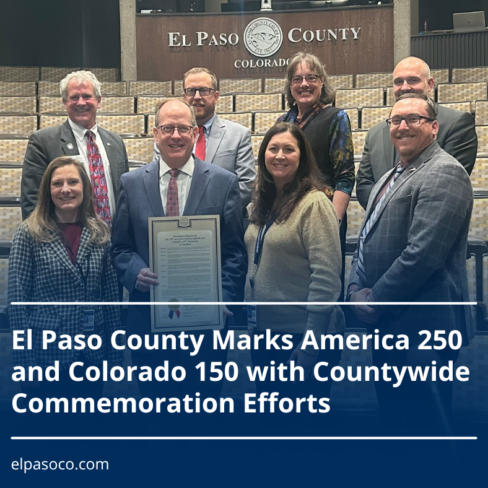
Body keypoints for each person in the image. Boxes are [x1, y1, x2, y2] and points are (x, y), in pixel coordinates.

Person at [347, 94, 474, 434]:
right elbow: (366, 239)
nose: (402, 126)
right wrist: (355, 287)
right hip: (389, 323)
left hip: (423, 326)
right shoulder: (390, 176)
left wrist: (375, 299)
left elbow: (423, 254)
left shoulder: (444, 171)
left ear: (434, 127)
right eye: (395, 120)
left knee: (424, 429)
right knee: (394, 421)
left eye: (413, 119)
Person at [111, 99, 247, 406]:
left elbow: (235, 254)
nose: (176, 135)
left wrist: (224, 297)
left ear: (195, 133)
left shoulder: (223, 182)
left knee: (203, 412)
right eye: (168, 128)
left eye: (183, 128)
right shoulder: (131, 183)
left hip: (205, 326)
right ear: (155, 133)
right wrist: (135, 273)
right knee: (155, 412)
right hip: (148, 323)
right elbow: (120, 248)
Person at [245, 122, 345, 429]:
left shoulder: (314, 204)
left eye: (289, 149)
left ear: (302, 157)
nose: (279, 155)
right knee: (272, 429)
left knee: (301, 433)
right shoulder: (263, 203)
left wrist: (311, 343)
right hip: (266, 335)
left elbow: (326, 277)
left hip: (301, 338)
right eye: (273, 148)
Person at [9, 156, 121, 402]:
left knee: (87, 425)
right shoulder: (29, 233)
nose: (66, 189)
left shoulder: (100, 232)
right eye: (57, 183)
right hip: (45, 356)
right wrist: (25, 362)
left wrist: (114, 356)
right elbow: (17, 303)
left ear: (85, 188)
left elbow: (111, 299)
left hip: (91, 356)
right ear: (48, 192)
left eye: (73, 182)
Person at [278, 52, 355, 296]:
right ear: (289, 85)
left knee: (323, 286)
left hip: (323, 216)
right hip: (287, 218)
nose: (304, 84)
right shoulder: (283, 121)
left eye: (311, 77)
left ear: (322, 82)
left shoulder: (336, 118)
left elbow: (345, 177)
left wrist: (332, 224)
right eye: (297, 79)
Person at [356, 56, 477, 209]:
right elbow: (364, 184)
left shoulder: (457, 123)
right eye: (398, 82)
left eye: (413, 80)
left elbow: (447, 183)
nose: (405, 87)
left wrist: (390, 209)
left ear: (430, 84)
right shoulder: (374, 134)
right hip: (380, 221)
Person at [21, 70, 129, 223]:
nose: (81, 103)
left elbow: (124, 197)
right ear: (64, 102)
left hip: (115, 234)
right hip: (64, 235)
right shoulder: (43, 142)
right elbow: (32, 200)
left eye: (86, 96)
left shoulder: (116, 142)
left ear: (98, 100)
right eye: (74, 97)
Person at [153, 67, 256, 209]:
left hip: (222, 217)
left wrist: (207, 212)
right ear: (184, 96)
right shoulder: (168, 137)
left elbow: (247, 184)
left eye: (204, 90)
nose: (197, 97)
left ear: (216, 96)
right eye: (191, 91)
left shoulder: (239, 135)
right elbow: (158, 179)